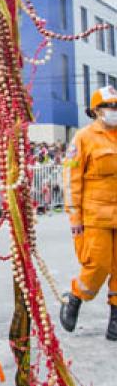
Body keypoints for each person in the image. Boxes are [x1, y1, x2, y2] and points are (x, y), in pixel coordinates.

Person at [61, 85, 117, 340]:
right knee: (97, 265)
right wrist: (75, 217)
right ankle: (74, 298)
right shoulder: (83, 138)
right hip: (95, 216)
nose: (114, 111)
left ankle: (115, 322)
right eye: (110, 106)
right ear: (96, 111)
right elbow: (71, 180)